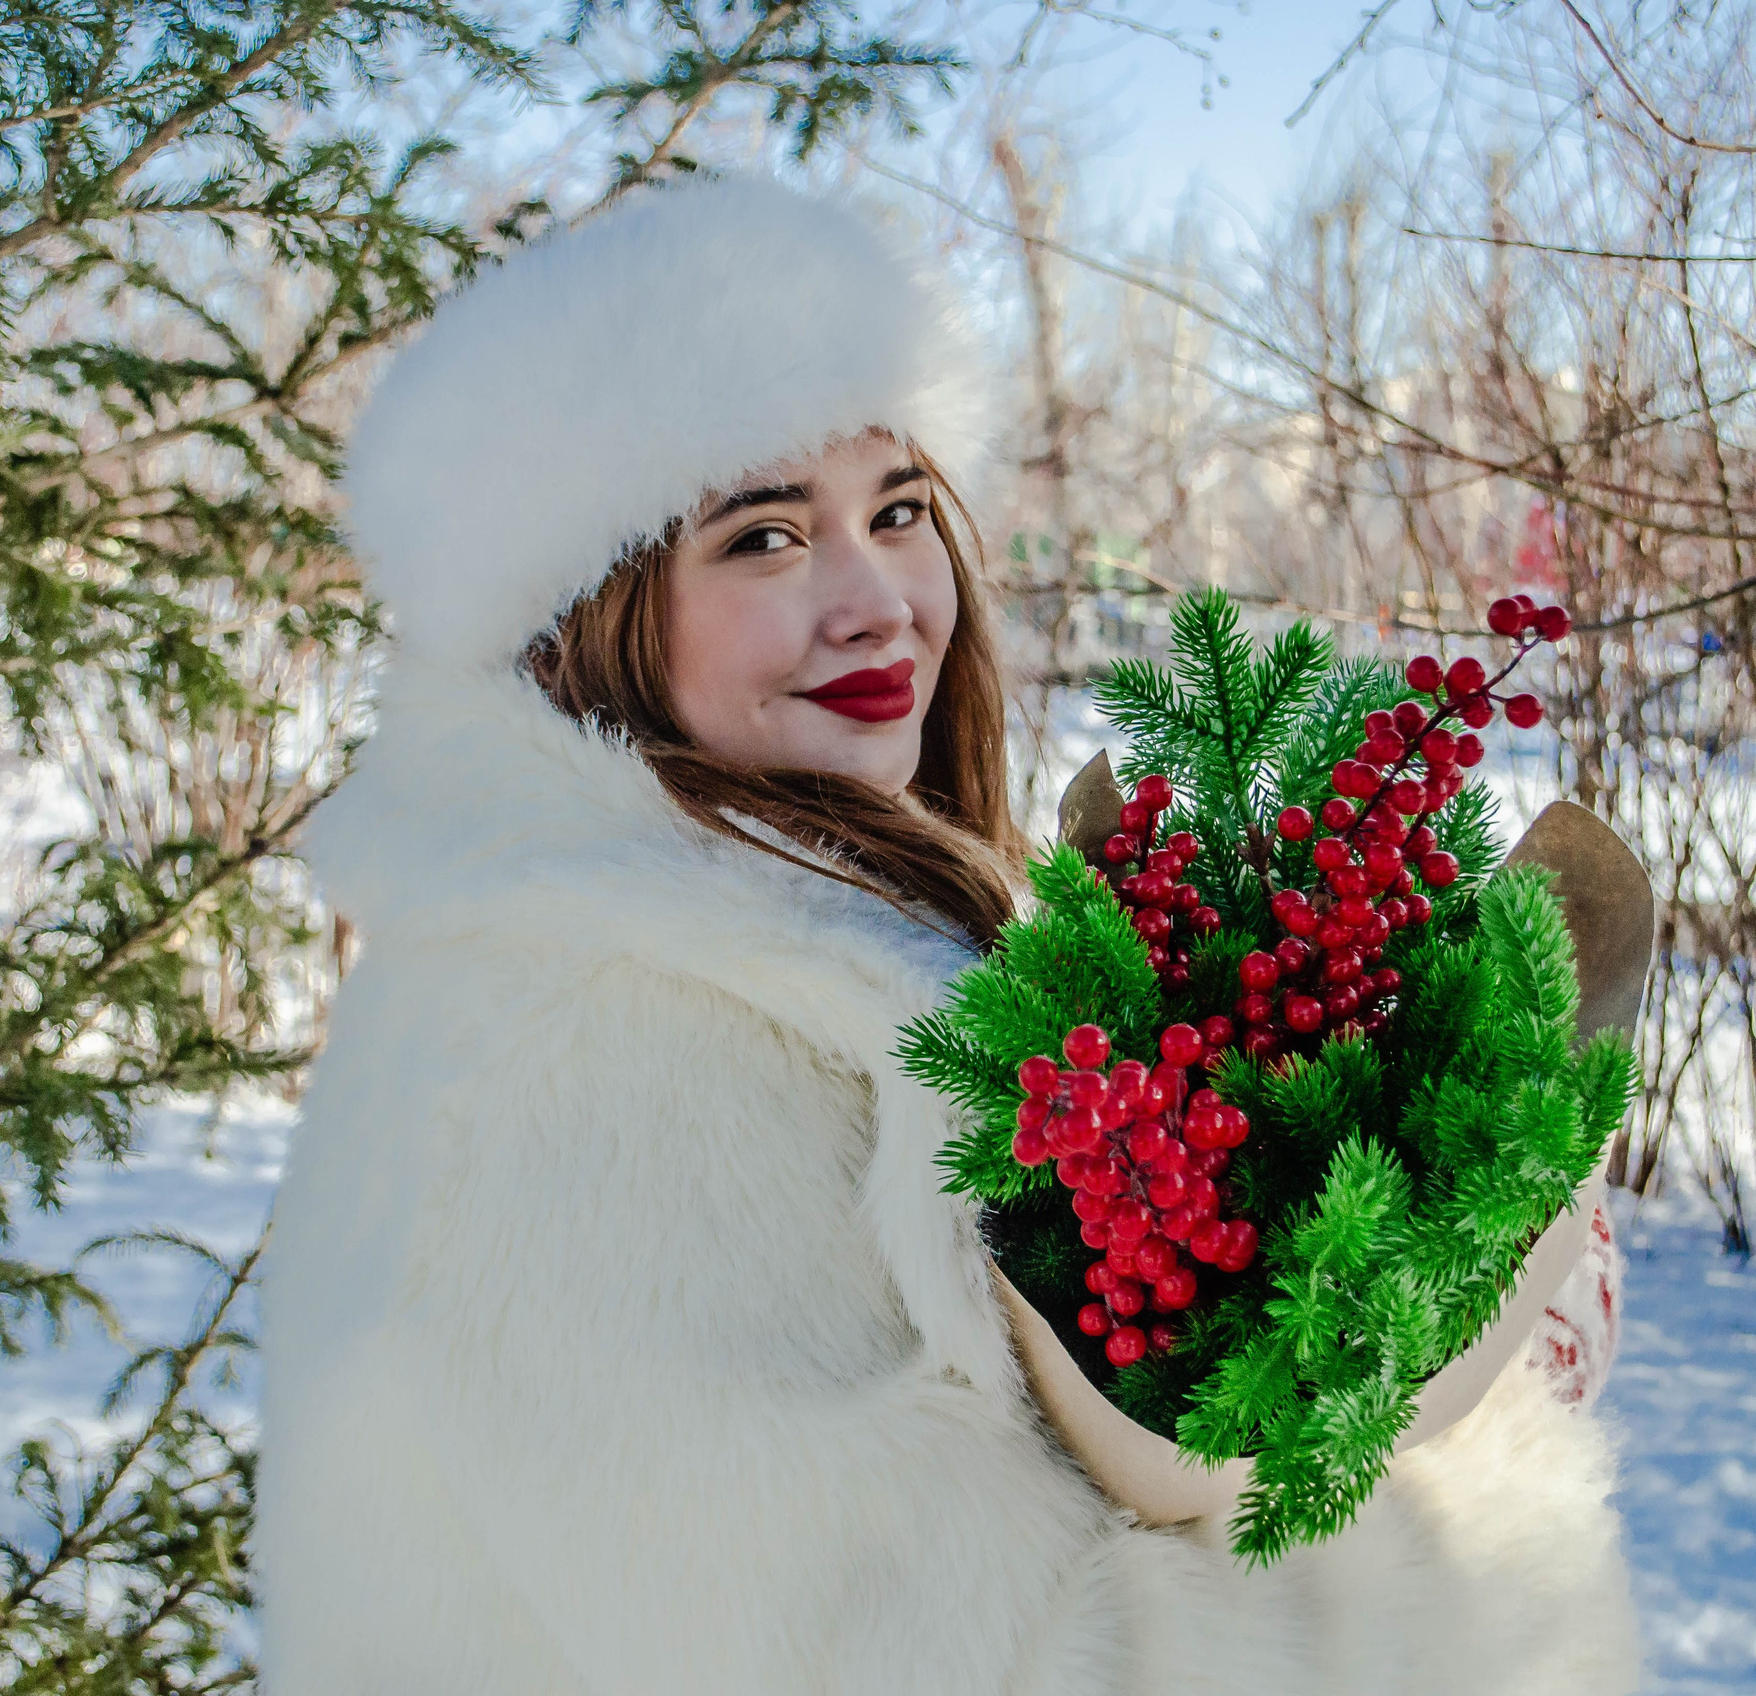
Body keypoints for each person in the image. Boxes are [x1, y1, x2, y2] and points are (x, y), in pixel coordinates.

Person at [257, 177, 1640, 1695]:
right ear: (582, 620)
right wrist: (1487, 1453)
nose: (878, 604)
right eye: (762, 537)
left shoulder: (765, 955)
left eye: (898, 511)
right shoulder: (581, 1064)